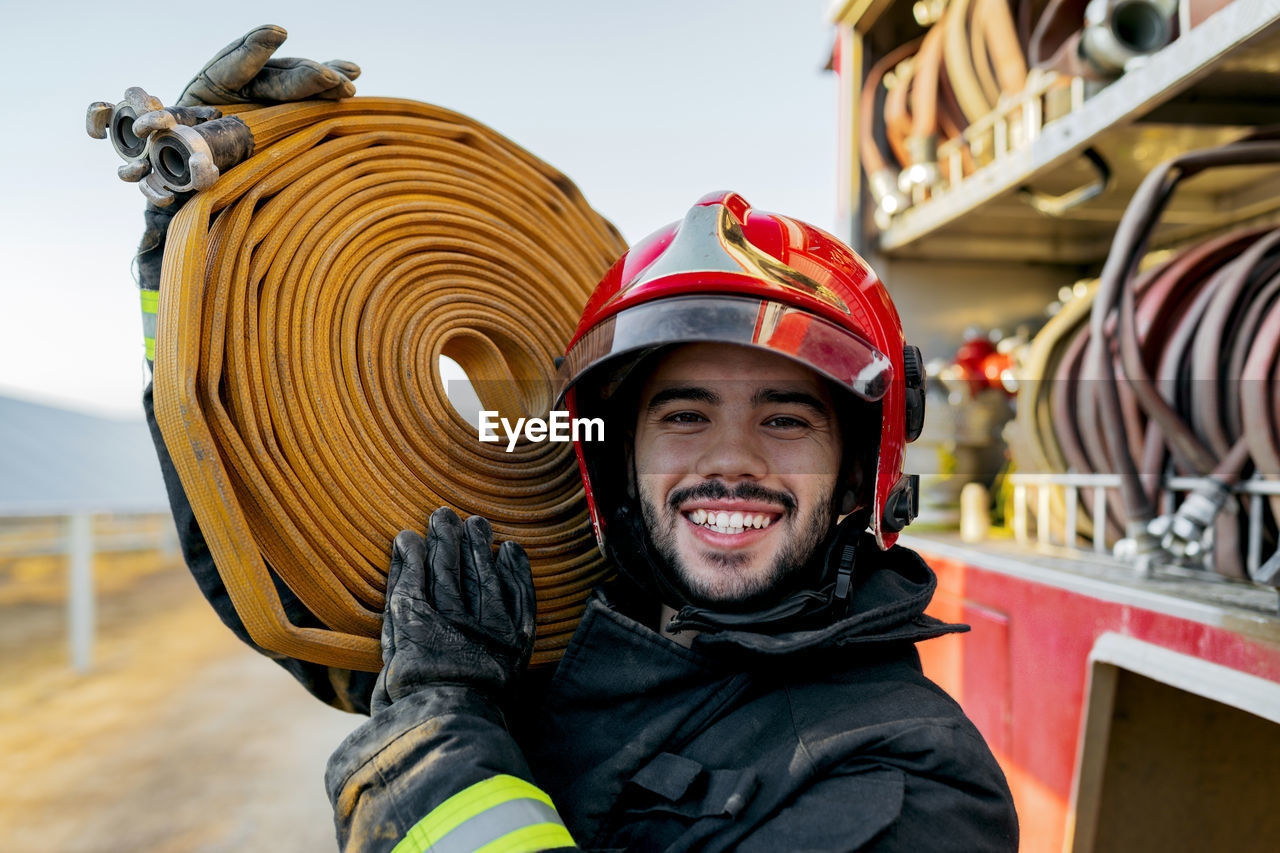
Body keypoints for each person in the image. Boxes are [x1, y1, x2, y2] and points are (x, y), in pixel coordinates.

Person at [138, 28, 1018, 852]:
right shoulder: (576, 639)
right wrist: (202, 261)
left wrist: (438, 743)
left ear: (866, 469)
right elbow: (304, 593)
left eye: (786, 417)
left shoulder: (914, 779)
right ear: (614, 458)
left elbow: (434, 725)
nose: (729, 461)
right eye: (684, 414)